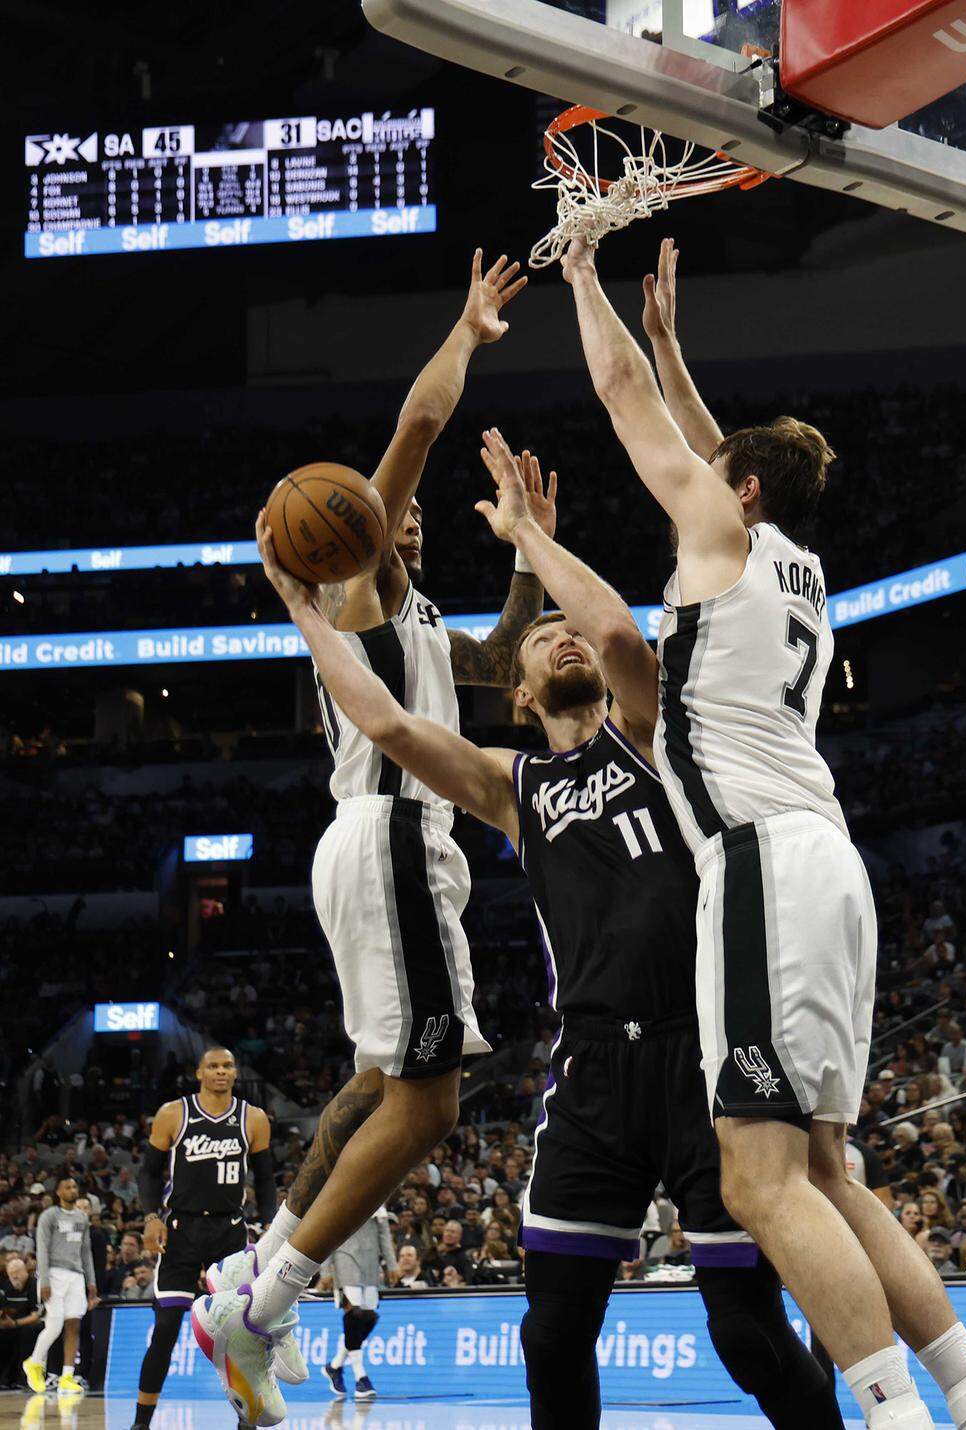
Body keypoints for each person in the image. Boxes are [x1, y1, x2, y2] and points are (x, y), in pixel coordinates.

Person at [245, 434, 844, 1430]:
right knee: (552, 1339)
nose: (563, 637)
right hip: (596, 1075)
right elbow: (390, 725)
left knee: (746, 1333)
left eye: (570, 633)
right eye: (539, 638)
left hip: (708, 1058)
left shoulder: (659, 731)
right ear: (517, 695)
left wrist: (532, 545)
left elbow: (621, 640)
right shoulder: (514, 784)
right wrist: (308, 614)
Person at [558, 232, 966, 1430]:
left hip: (763, 863)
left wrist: (582, 275)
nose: (700, 478)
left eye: (719, 471)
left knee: (758, 1177)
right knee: (826, 1170)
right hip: (828, 863)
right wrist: (674, 344)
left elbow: (621, 402)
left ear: (743, 491)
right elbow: (724, 450)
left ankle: (893, 1414)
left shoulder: (727, 534)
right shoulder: (792, 562)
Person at [195, 253, 536, 1429]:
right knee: (433, 1105)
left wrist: (533, 559)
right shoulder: (362, 591)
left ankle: (257, 1271)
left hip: (385, 839)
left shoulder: (421, 619)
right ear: (354, 536)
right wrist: (464, 330)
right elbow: (421, 422)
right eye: (392, 515)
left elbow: (495, 665)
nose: (409, 517)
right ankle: (268, 1304)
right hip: (391, 834)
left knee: (384, 1085)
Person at [131, 1047, 275, 1430]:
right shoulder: (173, 1113)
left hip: (229, 1232)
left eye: (227, 1065)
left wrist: (272, 1228)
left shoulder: (254, 1118)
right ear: (200, 1072)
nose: (221, 1071)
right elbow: (147, 1173)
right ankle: (141, 1422)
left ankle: (247, 1420)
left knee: (241, 1335)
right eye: (213, 1066)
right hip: (181, 1230)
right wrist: (150, 1217)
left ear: (235, 1072)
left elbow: (264, 1179)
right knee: (165, 1330)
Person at [23, 1177, 96, 1397]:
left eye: (75, 1186)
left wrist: (91, 1281)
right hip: (53, 1273)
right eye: (68, 1187)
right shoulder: (49, 1216)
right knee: (54, 1326)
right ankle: (34, 1363)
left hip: (76, 1275)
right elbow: (42, 1250)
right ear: (58, 1192)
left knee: (74, 1325)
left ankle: (66, 1377)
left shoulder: (82, 1218)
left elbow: (86, 1252)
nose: (73, 1190)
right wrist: (43, 1280)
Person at [323, 1209, 387, 1403]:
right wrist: (325, 1269)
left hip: (370, 1266)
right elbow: (327, 1233)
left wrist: (391, 1265)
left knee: (369, 1317)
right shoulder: (344, 1193)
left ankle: (334, 1367)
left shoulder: (381, 1197)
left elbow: (385, 1235)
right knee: (354, 1315)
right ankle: (361, 1379)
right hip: (345, 1262)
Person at [0, 1256, 41, 1389]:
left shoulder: (34, 1285)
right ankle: (4, 1379)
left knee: (27, 1332)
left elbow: (37, 1316)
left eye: (17, 1272)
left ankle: (24, 1379)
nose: (14, 1276)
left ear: (25, 1271)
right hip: (11, 1323)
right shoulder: (6, 1286)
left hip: (30, 1324)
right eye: (11, 1273)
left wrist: (16, 1323)